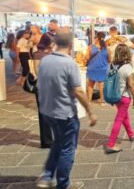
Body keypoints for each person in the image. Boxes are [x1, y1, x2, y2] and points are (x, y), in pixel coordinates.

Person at [36, 28, 97, 189]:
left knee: (58, 142)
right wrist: (90, 111)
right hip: (65, 114)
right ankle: (63, 183)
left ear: (55, 42)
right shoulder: (69, 63)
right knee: (68, 149)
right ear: (71, 44)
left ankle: (47, 175)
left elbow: (41, 85)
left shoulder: (45, 60)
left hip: (47, 112)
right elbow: (78, 90)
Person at [105, 44, 134, 154]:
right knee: (119, 119)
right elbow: (131, 85)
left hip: (115, 96)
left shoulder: (112, 65)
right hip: (124, 97)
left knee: (123, 116)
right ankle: (111, 144)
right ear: (127, 53)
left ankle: (131, 134)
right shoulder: (127, 67)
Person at [32, 35, 54, 148]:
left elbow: (36, 70)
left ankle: (47, 140)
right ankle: (48, 140)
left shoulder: (37, 54)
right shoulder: (49, 55)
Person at [86, 32, 110, 105]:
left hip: (92, 68)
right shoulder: (107, 48)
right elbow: (110, 59)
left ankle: (89, 101)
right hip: (103, 68)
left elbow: (87, 58)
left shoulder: (90, 47)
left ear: (96, 38)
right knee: (101, 85)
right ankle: (102, 101)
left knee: (90, 85)